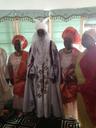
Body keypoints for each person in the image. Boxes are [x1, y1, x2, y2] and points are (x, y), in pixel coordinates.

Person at [23, 21, 63, 118]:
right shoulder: (33, 45)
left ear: (45, 32)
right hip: (38, 73)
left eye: (42, 31)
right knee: (38, 93)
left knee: (49, 93)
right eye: (39, 32)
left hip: (48, 73)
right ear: (36, 32)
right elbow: (30, 59)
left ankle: (48, 112)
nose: (40, 33)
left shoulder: (51, 44)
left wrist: (54, 72)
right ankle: (40, 112)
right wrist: (31, 70)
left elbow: (56, 60)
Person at [75, 29, 96, 128]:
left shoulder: (93, 53)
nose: (83, 40)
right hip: (81, 88)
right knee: (82, 113)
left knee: (90, 114)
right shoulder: (86, 51)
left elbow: (93, 76)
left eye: (86, 38)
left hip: (88, 90)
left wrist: (82, 88)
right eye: (83, 38)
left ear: (92, 40)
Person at [59, 27, 80, 120]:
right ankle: (66, 116)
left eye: (68, 40)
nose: (66, 42)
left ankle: (74, 116)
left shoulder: (77, 53)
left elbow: (80, 68)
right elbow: (56, 67)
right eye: (65, 40)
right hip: (62, 81)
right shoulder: (59, 52)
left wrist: (73, 76)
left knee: (73, 100)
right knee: (64, 100)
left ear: (72, 41)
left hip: (73, 81)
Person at [7, 35, 28, 116]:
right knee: (17, 96)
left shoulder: (27, 54)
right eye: (15, 44)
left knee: (26, 95)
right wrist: (10, 78)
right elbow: (9, 67)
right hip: (16, 80)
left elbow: (31, 67)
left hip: (26, 80)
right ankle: (19, 110)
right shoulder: (11, 56)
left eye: (18, 44)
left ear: (22, 44)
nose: (17, 46)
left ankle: (27, 109)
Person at [0, 48, 12, 116]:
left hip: (1, 77)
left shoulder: (2, 52)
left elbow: (4, 65)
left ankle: (1, 109)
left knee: (2, 93)